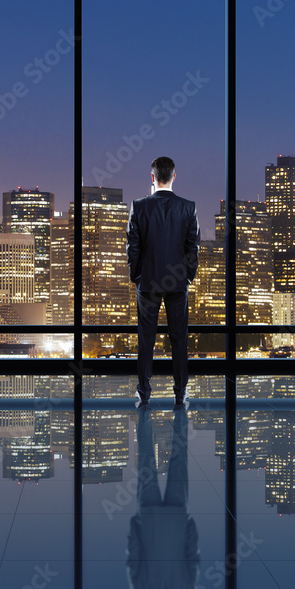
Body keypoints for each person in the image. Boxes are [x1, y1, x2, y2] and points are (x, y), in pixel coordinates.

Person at [126, 156, 200, 409]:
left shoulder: (139, 206)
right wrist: (188, 276)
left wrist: (136, 275)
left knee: (146, 339)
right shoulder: (188, 207)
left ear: (153, 177)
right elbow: (193, 247)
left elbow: (132, 247)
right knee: (179, 338)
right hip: (178, 284)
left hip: (147, 283)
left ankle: (144, 393)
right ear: (174, 177)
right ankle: (180, 393)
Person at [126, 406, 200, 589]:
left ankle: (180, 409)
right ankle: (144, 409)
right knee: (146, 458)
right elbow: (134, 553)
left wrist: (189, 524)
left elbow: (192, 553)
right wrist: (135, 524)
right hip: (149, 518)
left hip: (177, 518)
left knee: (179, 457)